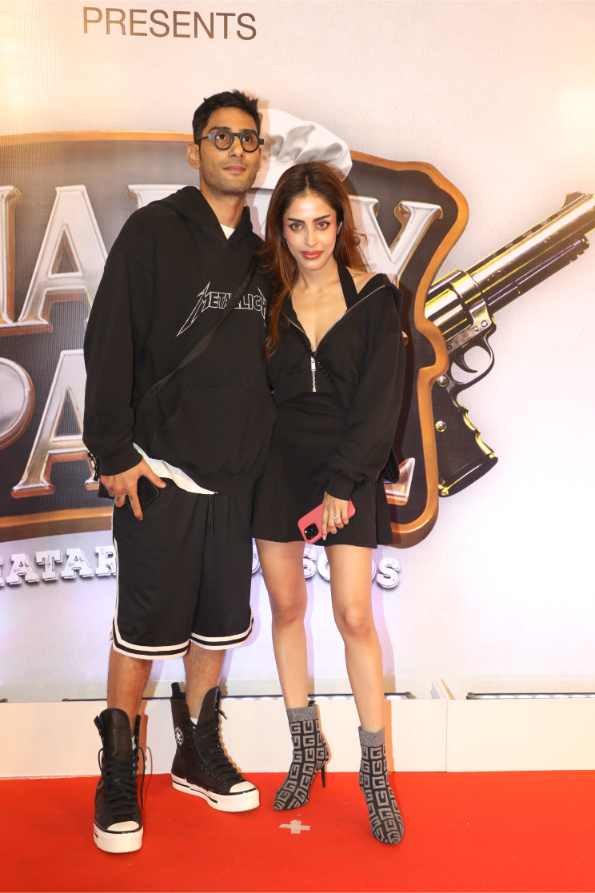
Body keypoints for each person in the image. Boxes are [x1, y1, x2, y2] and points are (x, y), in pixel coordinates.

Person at [83, 90, 275, 853]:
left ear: (260, 153)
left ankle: (196, 751)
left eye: (248, 139)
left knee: (215, 626)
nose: (236, 150)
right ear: (193, 151)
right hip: (158, 471)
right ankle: (117, 771)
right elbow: (108, 338)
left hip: (237, 476)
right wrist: (113, 452)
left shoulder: (264, 254)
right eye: (220, 137)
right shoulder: (153, 231)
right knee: (141, 630)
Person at [253, 161, 405, 845]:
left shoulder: (374, 295)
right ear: (280, 230)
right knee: (286, 608)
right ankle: (305, 747)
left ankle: (375, 773)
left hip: (349, 467)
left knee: (353, 615)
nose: (310, 239)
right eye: (295, 225)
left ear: (340, 224)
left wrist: (344, 483)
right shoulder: (268, 297)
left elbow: (381, 401)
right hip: (278, 466)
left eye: (321, 223)